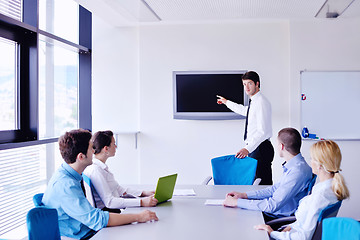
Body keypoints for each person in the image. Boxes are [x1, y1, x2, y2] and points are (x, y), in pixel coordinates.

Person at [42, 129, 158, 239]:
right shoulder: (66, 185)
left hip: (84, 228)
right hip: (79, 235)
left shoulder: (67, 173)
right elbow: (96, 220)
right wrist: (139, 217)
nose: (94, 151)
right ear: (81, 157)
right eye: (90, 148)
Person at [254, 140, 350, 240]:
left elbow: (304, 236)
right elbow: (305, 221)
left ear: (320, 166)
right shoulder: (329, 187)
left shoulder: (321, 195)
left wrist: (272, 233)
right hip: (292, 230)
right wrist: (289, 227)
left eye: (312, 159)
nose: (310, 161)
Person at [223, 128, 313, 221]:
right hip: (274, 212)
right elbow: (274, 189)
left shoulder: (297, 171)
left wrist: (237, 202)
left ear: (281, 146)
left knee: (234, 218)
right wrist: (244, 195)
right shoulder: (295, 165)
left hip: (278, 218)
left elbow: (272, 205)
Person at [217, 71, 274, 185]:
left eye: (250, 84)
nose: (246, 87)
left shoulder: (261, 102)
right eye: (244, 84)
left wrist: (247, 148)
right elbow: (245, 111)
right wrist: (226, 102)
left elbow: (263, 131)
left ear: (257, 84)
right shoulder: (255, 101)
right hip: (257, 148)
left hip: (260, 148)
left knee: (262, 185)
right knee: (256, 183)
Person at [84, 130, 158, 210]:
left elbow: (120, 190)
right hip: (109, 212)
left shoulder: (101, 167)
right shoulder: (96, 171)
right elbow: (110, 202)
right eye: (114, 144)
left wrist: (144, 193)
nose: (115, 146)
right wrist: (141, 202)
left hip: (114, 209)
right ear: (106, 148)